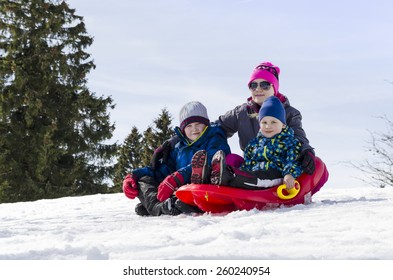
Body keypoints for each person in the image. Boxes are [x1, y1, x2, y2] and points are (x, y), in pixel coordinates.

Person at [151, 61, 316, 176]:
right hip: (255, 165)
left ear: (274, 87)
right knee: (228, 160)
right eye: (253, 85)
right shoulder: (241, 113)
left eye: (265, 84)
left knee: (317, 165)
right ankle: (220, 182)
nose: (258, 89)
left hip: (281, 165)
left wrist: (306, 150)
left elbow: (298, 137)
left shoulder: (289, 113)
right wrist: (172, 141)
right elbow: (211, 128)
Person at [122, 101, 231, 216]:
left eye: (198, 123)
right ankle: (160, 206)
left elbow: (212, 159)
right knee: (143, 180)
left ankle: (153, 206)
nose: (194, 129)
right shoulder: (179, 148)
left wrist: (177, 177)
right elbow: (161, 170)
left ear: (206, 124)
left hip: (205, 189)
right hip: (180, 192)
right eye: (189, 125)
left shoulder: (215, 138)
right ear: (183, 129)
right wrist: (133, 175)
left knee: (205, 167)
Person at [208, 96, 303, 190]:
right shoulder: (254, 144)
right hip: (254, 173)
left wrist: (289, 174)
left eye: (273, 122)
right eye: (264, 122)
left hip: (275, 175)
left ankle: (228, 178)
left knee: (254, 178)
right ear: (259, 124)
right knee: (243, 173)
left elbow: (292, 161)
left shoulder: (289, 142)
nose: (268, 126)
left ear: (283, 125)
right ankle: (215, 175)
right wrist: (242, 170)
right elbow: (248, 163)